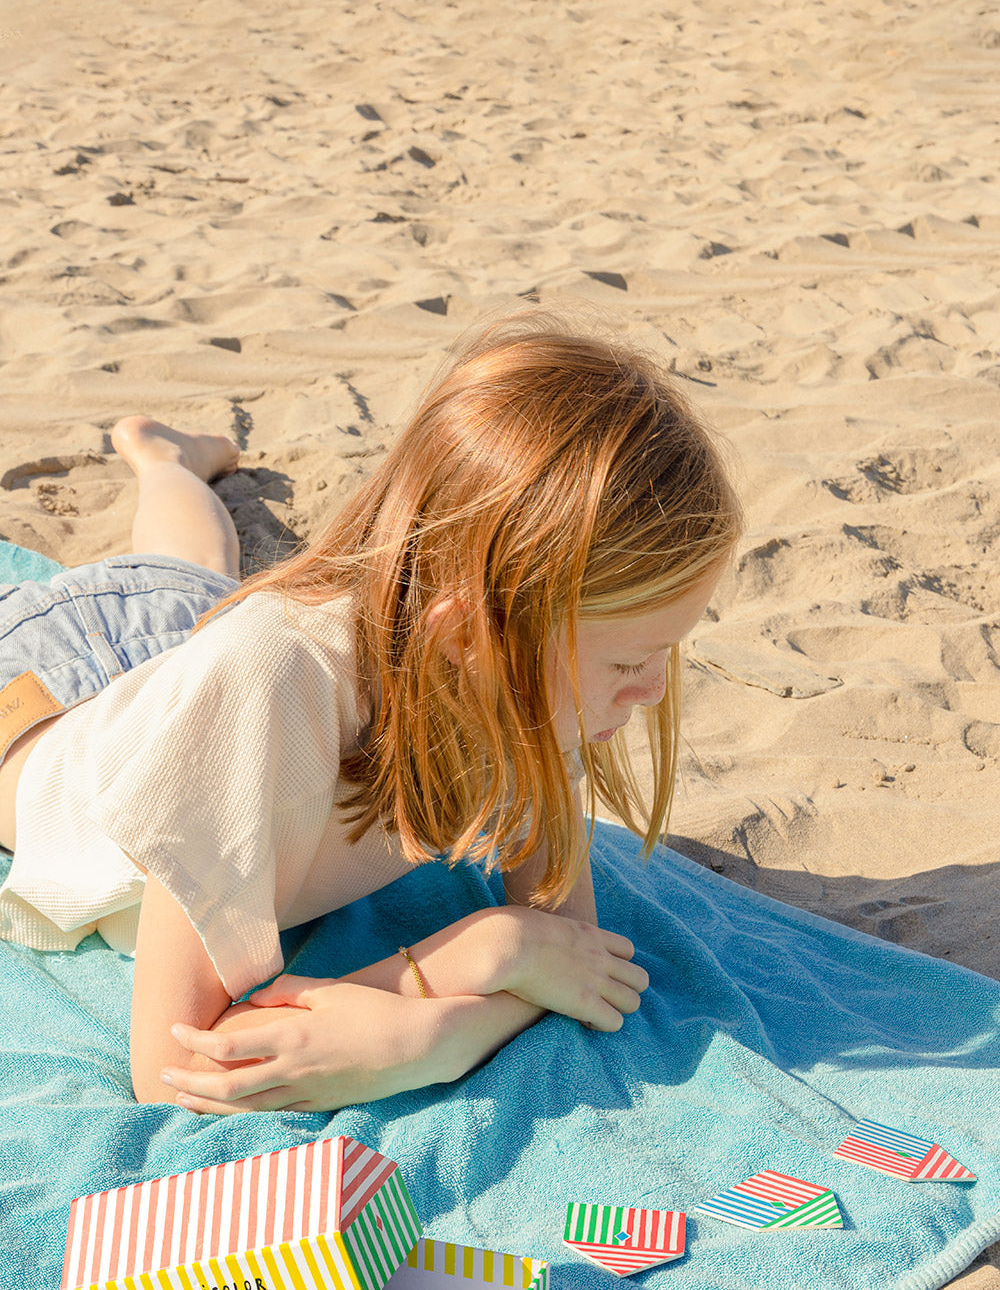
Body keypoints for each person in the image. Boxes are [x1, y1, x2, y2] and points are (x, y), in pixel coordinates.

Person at [0, 310, 741, 1114]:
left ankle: (164, 457)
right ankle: (163, 464)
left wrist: (442, 1022)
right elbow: (179, 1069)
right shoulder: (266, 687)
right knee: (174, 577)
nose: (653, 690)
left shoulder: (521, 679)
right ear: (468, 636)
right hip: (38, 691)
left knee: (191, 573)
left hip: (192, 646)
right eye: (629, 662)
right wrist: (469, 971)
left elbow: (573, 957)